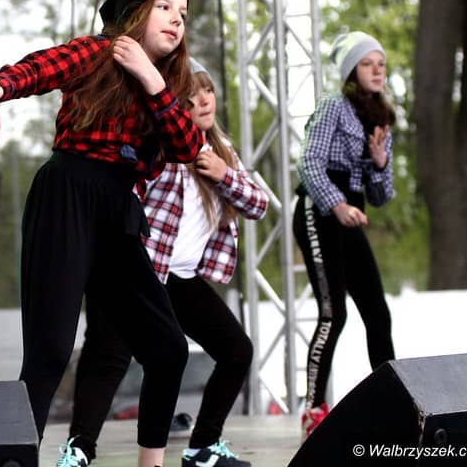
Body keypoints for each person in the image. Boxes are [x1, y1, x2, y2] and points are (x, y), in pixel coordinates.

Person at [0, 0, 202, 467]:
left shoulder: (167, 85)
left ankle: (151, 464)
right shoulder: (97, 53)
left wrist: (152, 80)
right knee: (50, 353)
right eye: (164, 7)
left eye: (183, 13)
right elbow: (38, 68)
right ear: (134, 13)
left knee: (168, 348)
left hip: (118, 210)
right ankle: (16, 461)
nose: (177, 19)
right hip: (67, 195)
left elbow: (187, 145)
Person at [63, 68, 269, 467]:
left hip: (180, 278)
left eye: (207, 91)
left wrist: (224, 175)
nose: (203, 101)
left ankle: (203, 447)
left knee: (236, 351)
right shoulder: (162, 146)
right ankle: (79, 450)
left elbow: (257, 205)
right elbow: (125, 191)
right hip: (138, 268)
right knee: (110, 354)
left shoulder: (222, 150)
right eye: (190, 98)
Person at [292, 31, 396, 440]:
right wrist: (337, 206)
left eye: (381, 64)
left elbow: (381, 195)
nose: (377, 70)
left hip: (353, 213)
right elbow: (309, 163)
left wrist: (380, 161)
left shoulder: (382, 118)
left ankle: (393, 404)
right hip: (320, 210)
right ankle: (313, 409)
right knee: (333, 313)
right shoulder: (333, 106)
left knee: (378, 312)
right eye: (368, 63)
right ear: (351, 71)